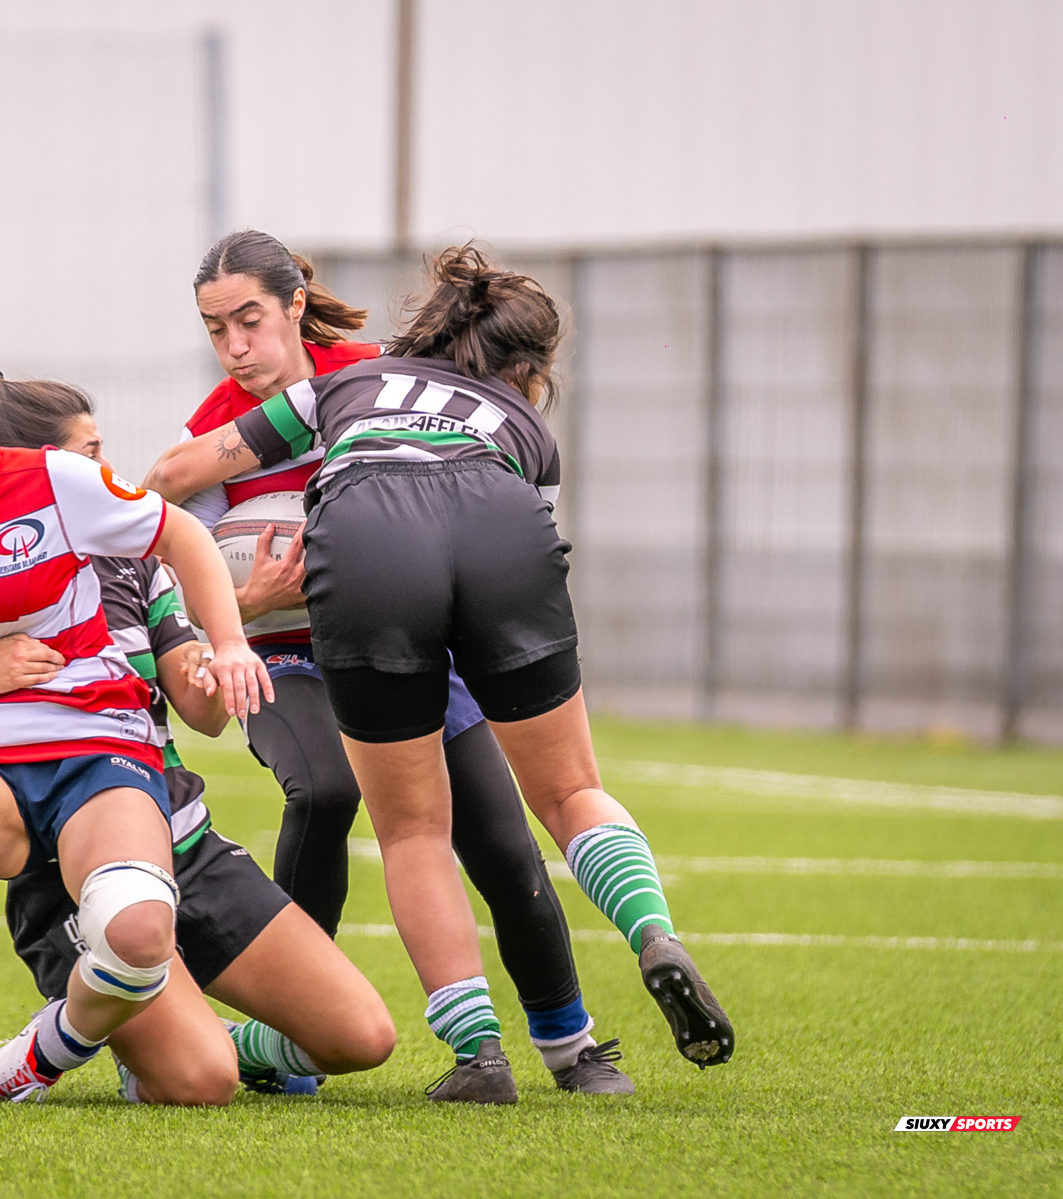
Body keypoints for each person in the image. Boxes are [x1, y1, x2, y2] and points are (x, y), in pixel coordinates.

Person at [145, 242, 736, 1088]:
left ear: (295, 304)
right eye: (217, 329)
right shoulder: (514, 419)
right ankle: (649, 937)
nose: (235, 346)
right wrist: (248, 600)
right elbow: (521, 526)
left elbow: (168, 483)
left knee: (449, 833)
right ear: (527, 367)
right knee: (538, 791)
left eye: (249, 320)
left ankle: (503, 1049)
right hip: (371, 612)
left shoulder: (355, 377)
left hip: (377, 588)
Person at [0, 378, 395, 1106]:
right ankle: (95, 1039)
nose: (111, 472)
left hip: (171, 823)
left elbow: (201, 711)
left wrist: (225, 643)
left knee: (362, 1037)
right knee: (198, 1081)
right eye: (91, 453)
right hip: (55, 837)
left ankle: (158, 1031)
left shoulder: (138, 564)